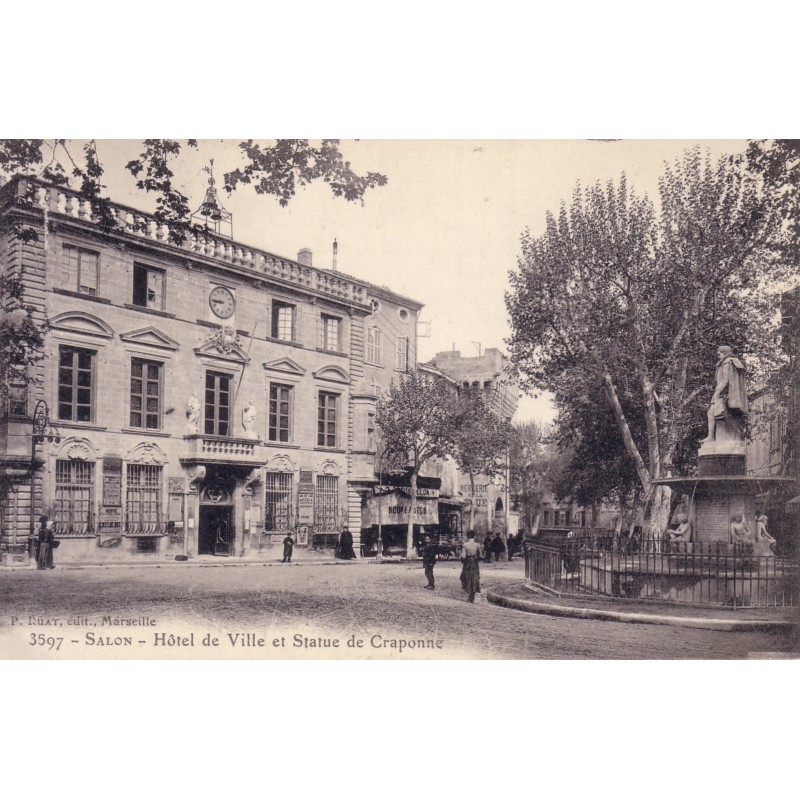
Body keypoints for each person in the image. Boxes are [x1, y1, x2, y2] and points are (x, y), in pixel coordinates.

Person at [702, 346, 748, 443]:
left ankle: (711, 437)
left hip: (725, 395)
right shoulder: (735, 362)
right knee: (730, 419)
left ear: (724, 353)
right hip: (733, 396)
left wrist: (716, 393)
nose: (718, 355)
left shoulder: (726, 363)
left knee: (711, 413)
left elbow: (725, 381)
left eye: (719, 353)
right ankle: (729, 439)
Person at [460, 530, 482, 603]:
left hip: (467, 563)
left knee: (465, 577)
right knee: (475, 578)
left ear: (467, 536)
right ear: (474, 536)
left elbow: (463, 556)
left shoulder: (465, 545)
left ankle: (469, 595)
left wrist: (462, 560)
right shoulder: (477, 545)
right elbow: (480, 556)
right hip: (475, 563)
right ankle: (473, 596)